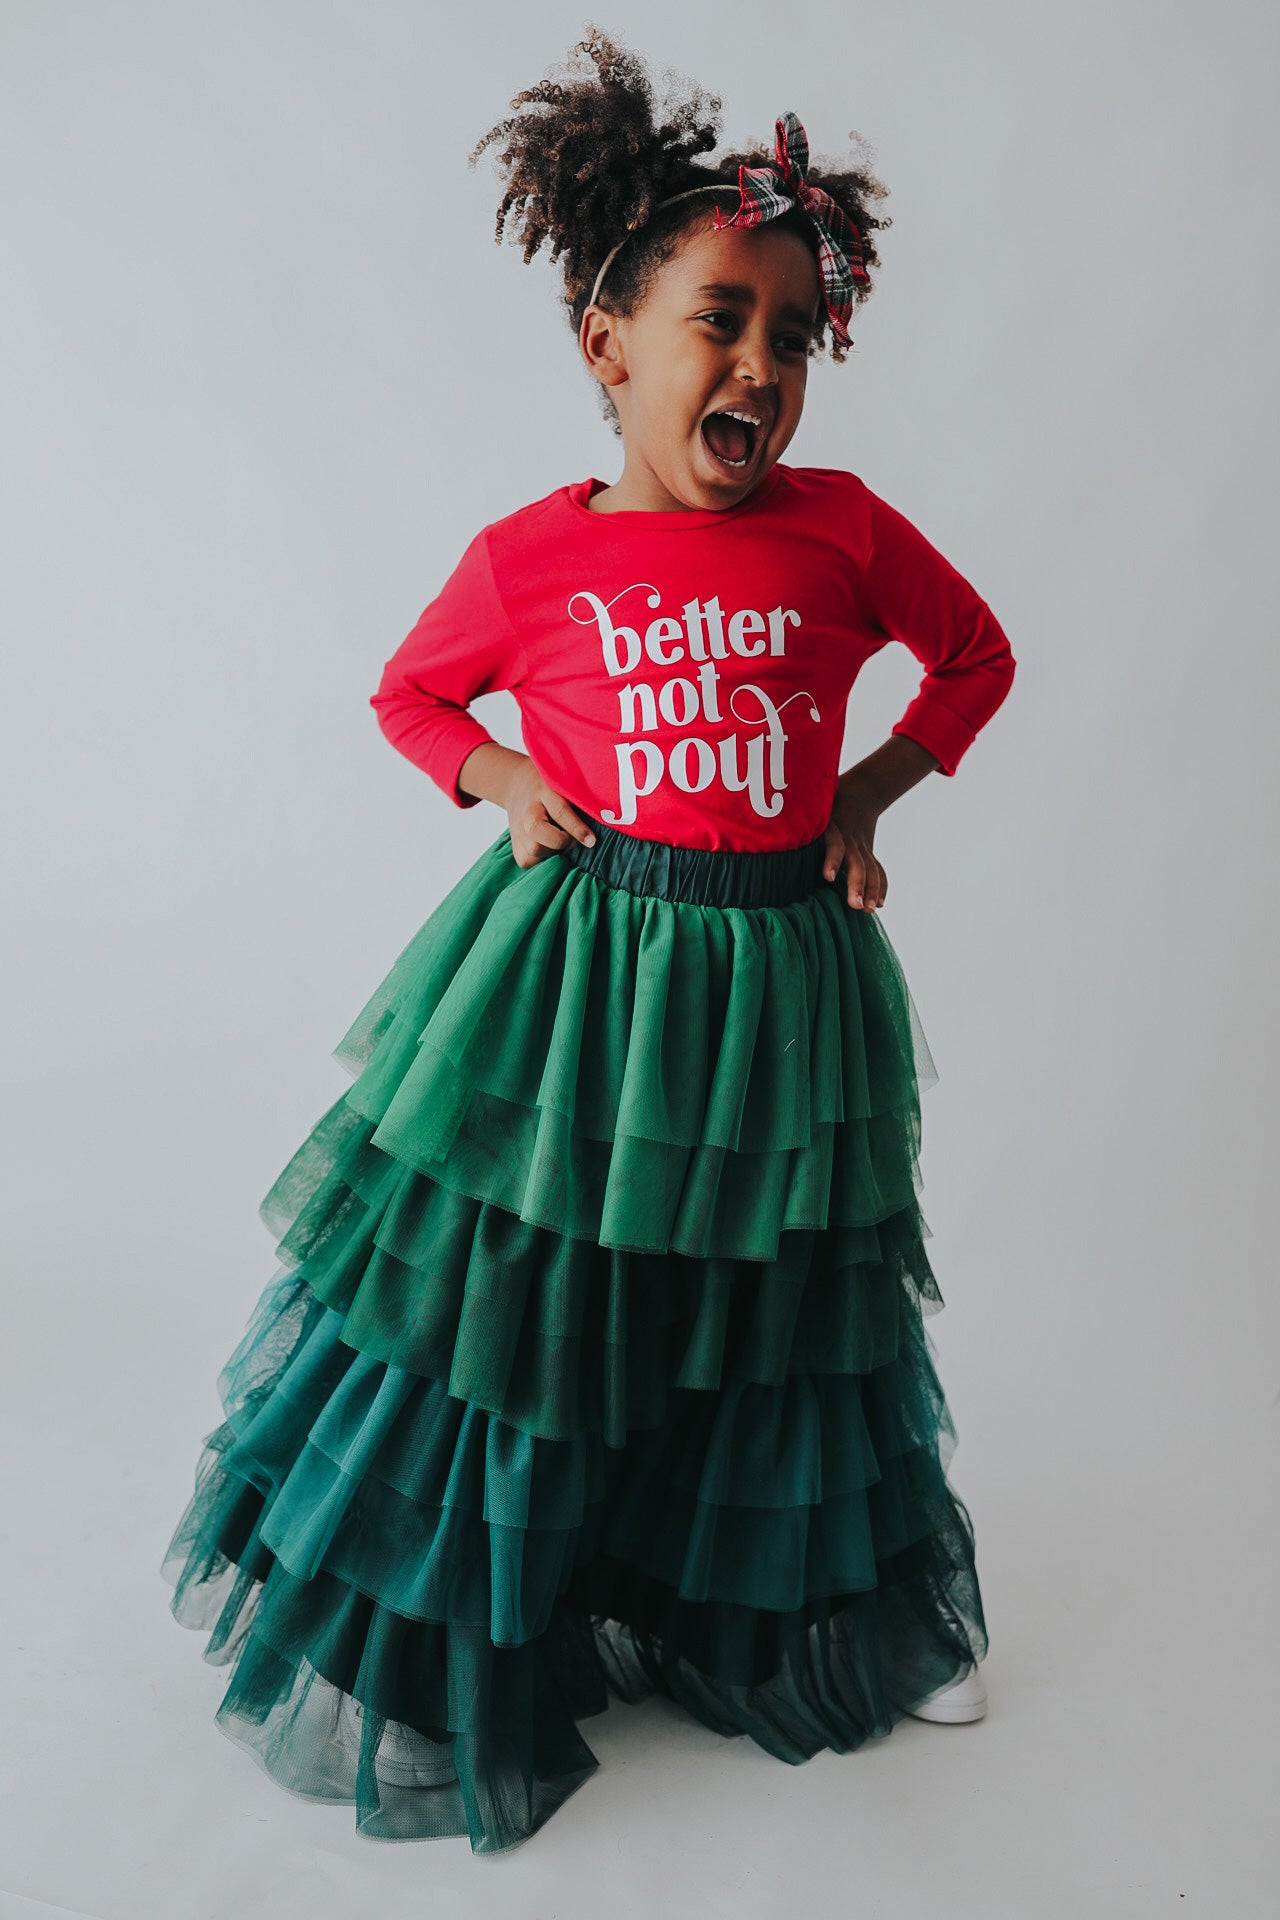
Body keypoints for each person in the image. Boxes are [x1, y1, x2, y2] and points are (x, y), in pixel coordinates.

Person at [159, 29, 1016, 1856]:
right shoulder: (533, 561)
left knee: (781, 1300)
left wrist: (862, 800)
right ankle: (451, 1614)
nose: (761, 367)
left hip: (778, 983)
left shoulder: (844, 536)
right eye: (720, 320)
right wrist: (487, 769)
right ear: (608, 346)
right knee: (533, 1293)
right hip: (574, 990)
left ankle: (807, 1604)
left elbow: (978, 659)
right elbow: (405, 693)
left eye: (792, 337)